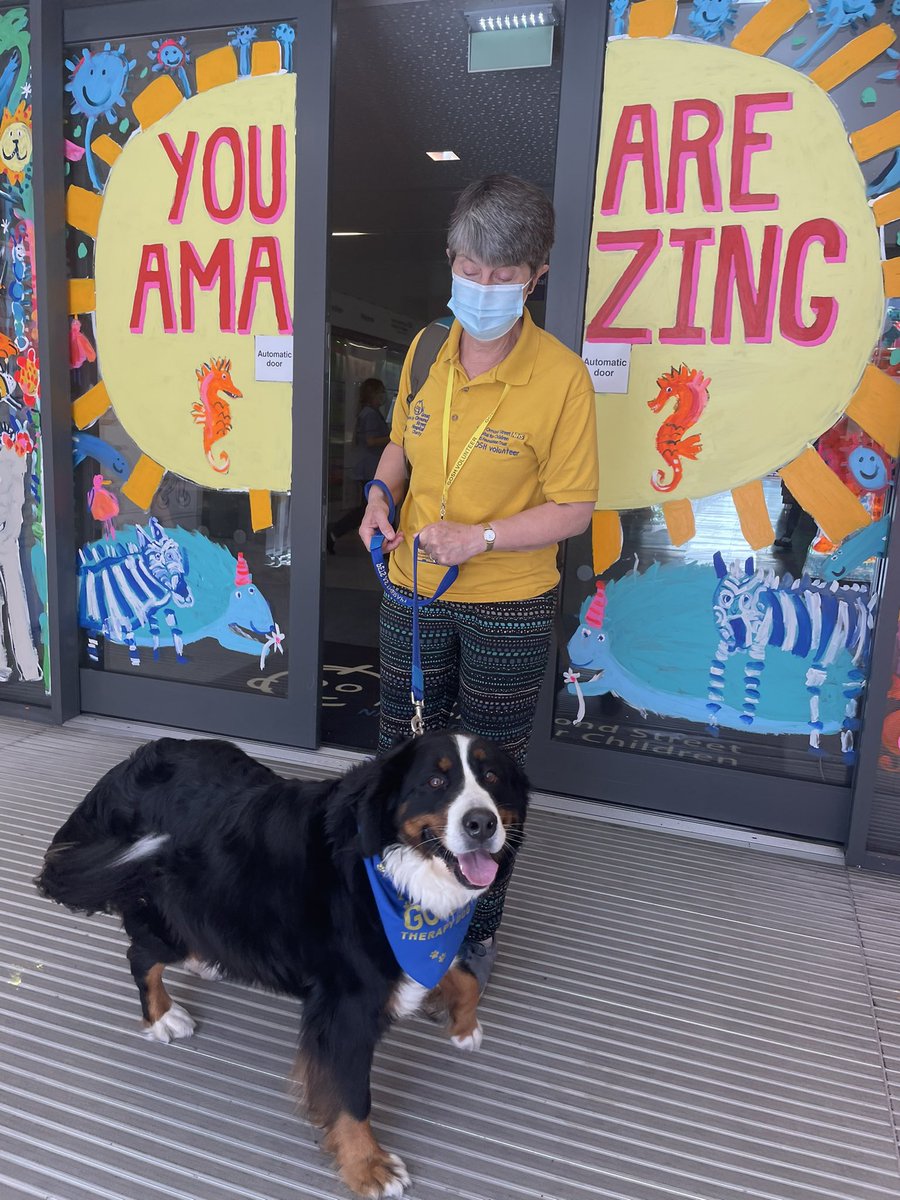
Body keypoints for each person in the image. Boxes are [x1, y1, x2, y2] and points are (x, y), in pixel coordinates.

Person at [359, 174, 599, 987]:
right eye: (470, 266)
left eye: (503, 275)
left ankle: (476, 933)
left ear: (535, 275)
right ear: (452, 260)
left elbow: (574, 508)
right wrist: (379, 492)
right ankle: (391, 907)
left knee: (490, 779)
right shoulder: (429, 348)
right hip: (414, 591)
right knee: (401, 753)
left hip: (508, 604)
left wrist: (482, 536)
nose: (483, 286)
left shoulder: (562, 380)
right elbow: (401, 441)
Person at [328, 377, 391, 551]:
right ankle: (334, 533)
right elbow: (371, 441)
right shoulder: (370, 414)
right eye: (381, 393)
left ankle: (335, 533)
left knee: (368, 507)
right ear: (373, 394)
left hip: (368, 467)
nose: (383, 396)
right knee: (368, 508)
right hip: (369, 468)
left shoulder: (368, 412)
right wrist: (394, 439)